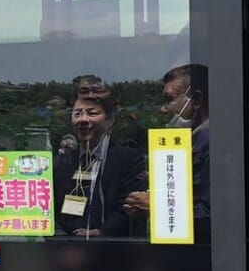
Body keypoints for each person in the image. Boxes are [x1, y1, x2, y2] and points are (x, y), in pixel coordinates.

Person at [123, 62, 211, 235]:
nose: (163, 109)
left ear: (197, 100)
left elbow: (214, 215)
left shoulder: (211, 144)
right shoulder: (190, 142)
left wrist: (157, 206)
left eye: (169, 100)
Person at [56, 87, 143, 238]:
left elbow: (129, 205)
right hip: (74, 245)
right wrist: (75, 231)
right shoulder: (64, 162)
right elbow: (60, 207)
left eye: (92, 113)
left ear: (110, 120)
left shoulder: (128, 159)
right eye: (77, 114)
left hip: (117, 246)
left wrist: (102, 232)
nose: (83, 119)